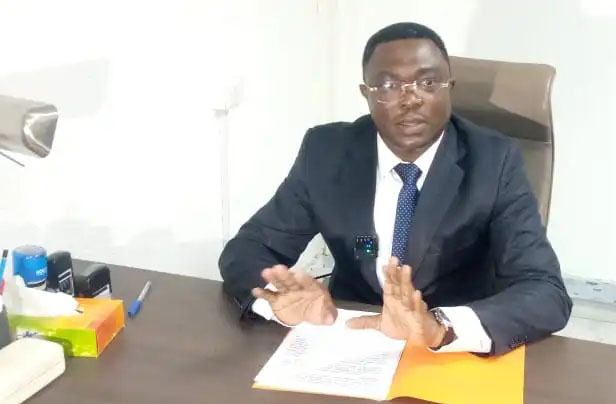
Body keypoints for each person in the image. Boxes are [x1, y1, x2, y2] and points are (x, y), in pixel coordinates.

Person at [219, 22, 571, 355]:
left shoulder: (494, 161)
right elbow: (248, 249)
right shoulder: (327, 152)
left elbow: (546, 292)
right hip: (350, 337)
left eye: (428, 83)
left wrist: (441, 327)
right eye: (388, 85)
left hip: (447, 350)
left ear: (450, 88)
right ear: (366, 94)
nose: (410, 99)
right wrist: (278, 302)